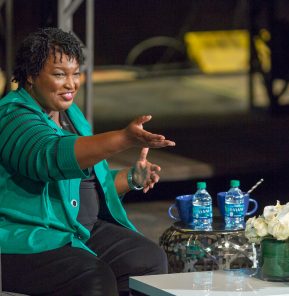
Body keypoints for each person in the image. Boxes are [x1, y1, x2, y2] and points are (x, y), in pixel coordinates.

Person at [0, 28, 176, 295]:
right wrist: (124, 138)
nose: (71, 84)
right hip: (28, 236)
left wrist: (131, 179)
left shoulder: (71, 115)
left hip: (78, 230)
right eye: (60, 74)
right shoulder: (13, 116)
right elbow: (49, 156)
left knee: (147, 261)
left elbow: (86, 186)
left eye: (75, 73)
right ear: (30, 76)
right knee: (94, 277)